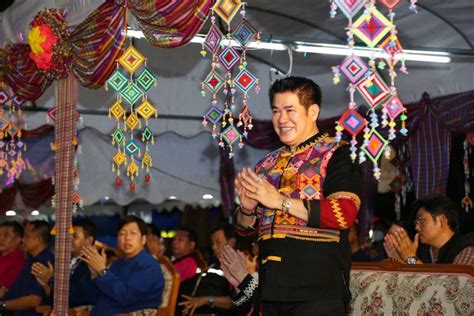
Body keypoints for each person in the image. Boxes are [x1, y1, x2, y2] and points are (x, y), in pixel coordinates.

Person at [235, 76, 363, 315]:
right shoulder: (266, 164)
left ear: (312, 111)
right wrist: (247, 209)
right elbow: (244, 231)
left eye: (289, 110)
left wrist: (280, 202)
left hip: (317, 291)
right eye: (276, 111)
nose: (281, 119)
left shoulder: (338, 154)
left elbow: (343, 214)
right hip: (270, 289)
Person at [80, 215, 164, 315]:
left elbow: (127, 297)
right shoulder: (118, 263)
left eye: (133, 233)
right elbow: (94, 298)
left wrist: (102, 271)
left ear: (143, 239)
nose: (127, 238)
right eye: (122, 234)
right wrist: (95, 274)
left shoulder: (148, 265)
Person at [385, 195, 474, 265]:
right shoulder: (424, 252)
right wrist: (401, 262)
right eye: (416, 222)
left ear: (441, 220)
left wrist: (410, 258)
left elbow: (451, 285)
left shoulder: (467, 249)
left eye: (421, 220)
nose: (417, 227)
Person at [31, 219, 100, 308]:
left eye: (74, 236)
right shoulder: (66, 261)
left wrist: (51, 279)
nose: (69, 240)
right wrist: (46, 286)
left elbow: (79, 296)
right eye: (68, 236)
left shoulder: (92, 263)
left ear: (89, 240)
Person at [179, 223, 239, 315]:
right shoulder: (214, 265)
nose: (214, 247)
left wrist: (204, 300)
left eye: (218, 242)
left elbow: (236, 301)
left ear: (231, 242)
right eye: (213, 243)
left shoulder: (238, 267)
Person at [0, 221, 54, 316]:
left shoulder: (43, 262)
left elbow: (34, 300)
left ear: (39, 240)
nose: (23, 240)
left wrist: (3, 305)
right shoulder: (31, 259)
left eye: (27, 237)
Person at [0, 221, 26, 291]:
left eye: (6, 235)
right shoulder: (3, 256)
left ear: (17, 239)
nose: (1, 239)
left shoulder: (18, 261)